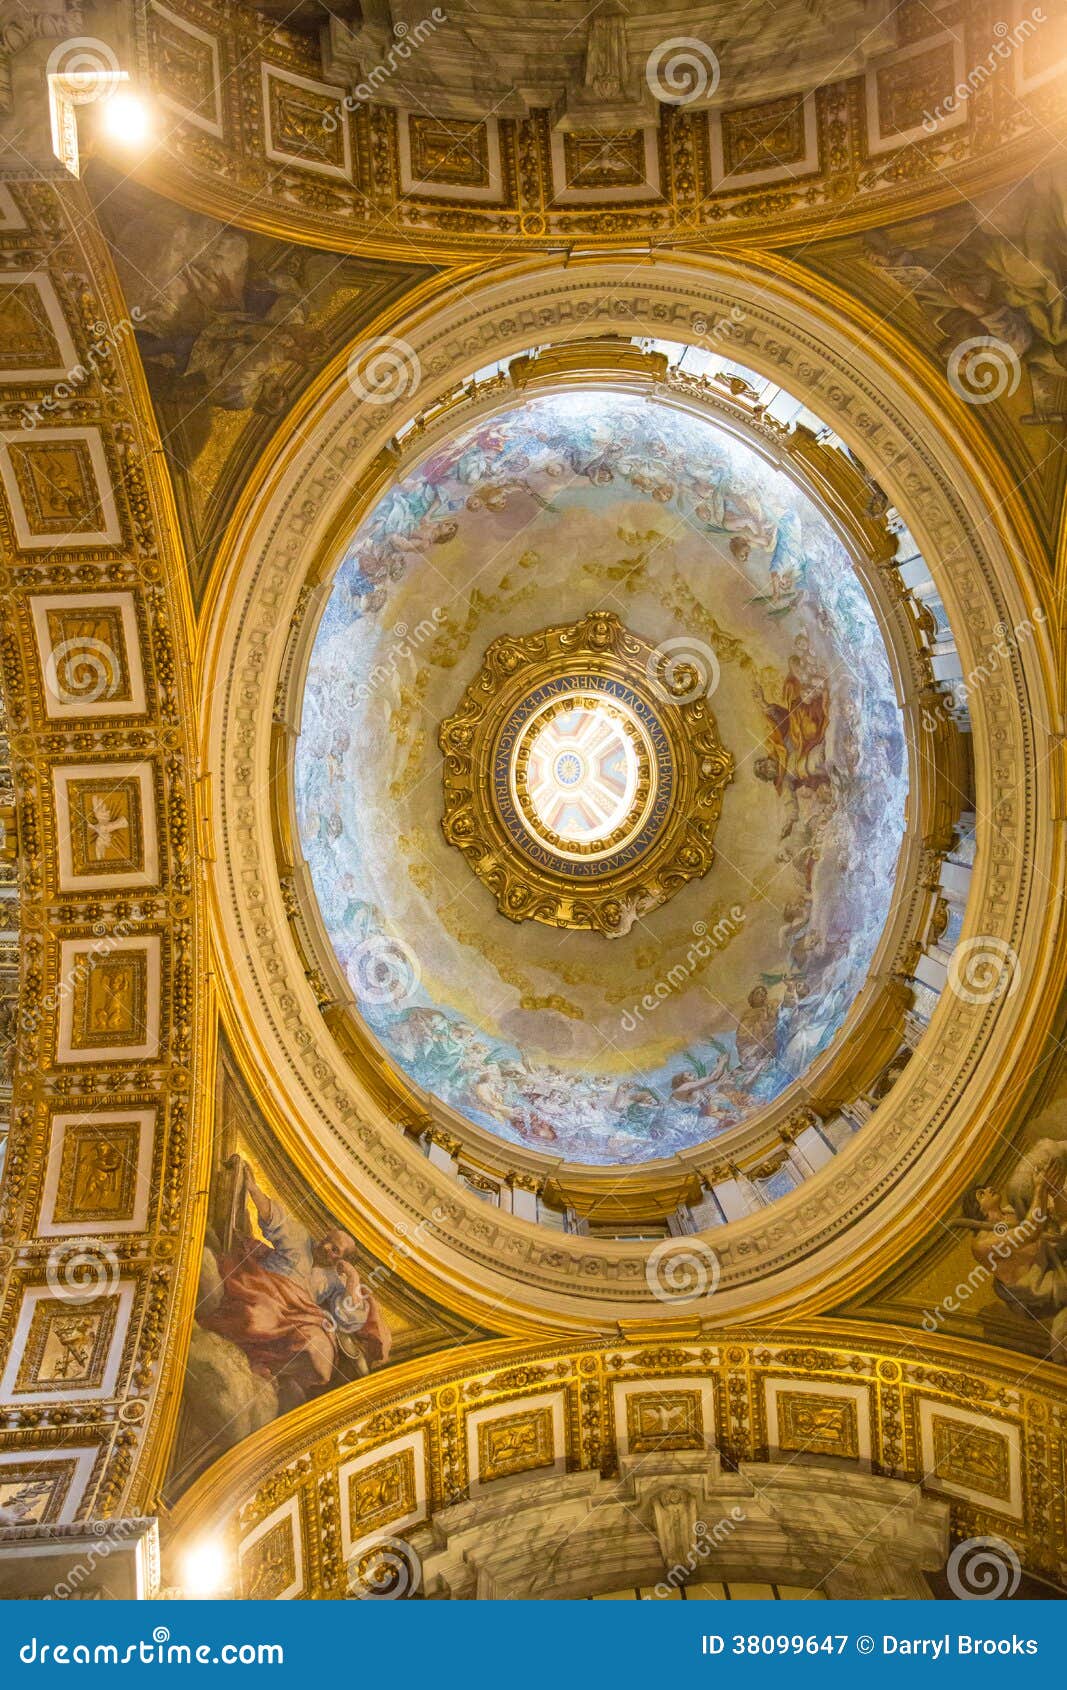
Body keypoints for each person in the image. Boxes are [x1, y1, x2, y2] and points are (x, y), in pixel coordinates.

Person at [199, 1156, 390, 1413]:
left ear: (341, 1259)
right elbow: (274, 1219)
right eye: (327, 1241)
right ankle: (252, 1354)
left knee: (320, 1351)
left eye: (334, 1250)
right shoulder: (300, 1238)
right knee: (261, 1312)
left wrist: (353, 1281)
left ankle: (274, 1369)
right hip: (264, 1289)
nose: (326, 1248)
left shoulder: (335, 1281)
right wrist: (253, 1189)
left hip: (299, 1316)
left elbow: (348, 1319)